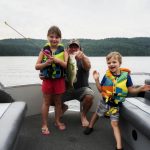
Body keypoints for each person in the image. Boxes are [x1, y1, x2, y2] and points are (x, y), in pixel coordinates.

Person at [83, 51, 150, 150]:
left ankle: (119, 147)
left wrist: (140, 89)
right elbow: (101, 90)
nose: (111, 64)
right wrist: (97, 80)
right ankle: (90, 126)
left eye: (114, 62)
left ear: (120, 63)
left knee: (114, 124)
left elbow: (131, 90)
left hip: (115, 105)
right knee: (97, 113)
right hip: (104, 101)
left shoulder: (126, 76)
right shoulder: (107, 76)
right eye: (109, 63)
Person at [35, 26, 68, 135]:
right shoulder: (43, 50)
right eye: (51, 36)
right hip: (47, 81)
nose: (54, 39)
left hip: (59, 81)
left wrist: (58, 60)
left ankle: (57, 121)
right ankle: (44, 124)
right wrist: (46, 63)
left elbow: (66, 65)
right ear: (47, 37)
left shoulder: (64, 51)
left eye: (57, 37)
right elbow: (37, 66)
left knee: (58, 102)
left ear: (60, 39)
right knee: (46, 102)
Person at [62, 39, 94, 127]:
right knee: (51, 98)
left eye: (76, 47)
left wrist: (83, 57)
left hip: (81, 89)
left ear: (81, 49)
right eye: (71, 47)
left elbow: (88, 66)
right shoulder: (63, 59)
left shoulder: (84, 58)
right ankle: (63, 107)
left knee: (90, 95)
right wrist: (43, 75)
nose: (73, 49)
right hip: (67, 89)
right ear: (67, 49)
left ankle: (83, 116)